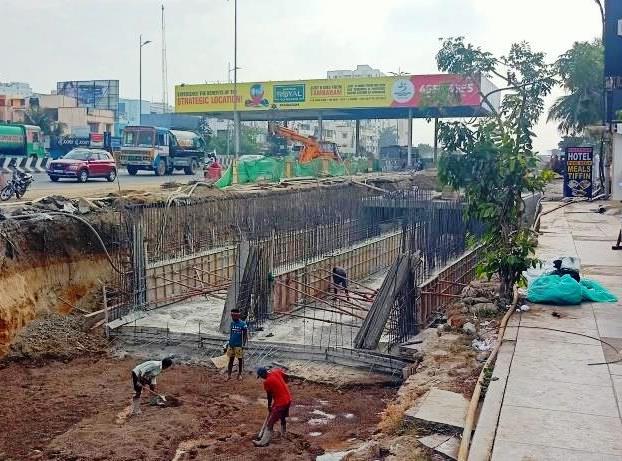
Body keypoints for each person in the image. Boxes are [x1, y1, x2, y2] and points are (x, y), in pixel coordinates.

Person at [254, 367, 292, 447]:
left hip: (280, 403)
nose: (262, 378)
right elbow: (286, 376)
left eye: (261, 376)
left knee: (270, 422)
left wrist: (269, 406)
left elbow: (269, 395)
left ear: (263, 374)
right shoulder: (276, 371)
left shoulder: (267, 382)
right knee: (282, 417)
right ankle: (283, 433)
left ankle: (263, 442)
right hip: (288, 399)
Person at [226, 308, 248, 380]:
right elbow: (231, 334)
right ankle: (229, 375)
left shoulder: (243, 324)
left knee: (240, 360)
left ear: (238, 316)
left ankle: (239, 374)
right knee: (231, 360)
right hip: (231, 344)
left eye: (234, 316)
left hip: (239, 345)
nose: (233, 317)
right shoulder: (232, 323)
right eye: (232, 316)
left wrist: (243, 344)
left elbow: (245, 335)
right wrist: (228, 343)